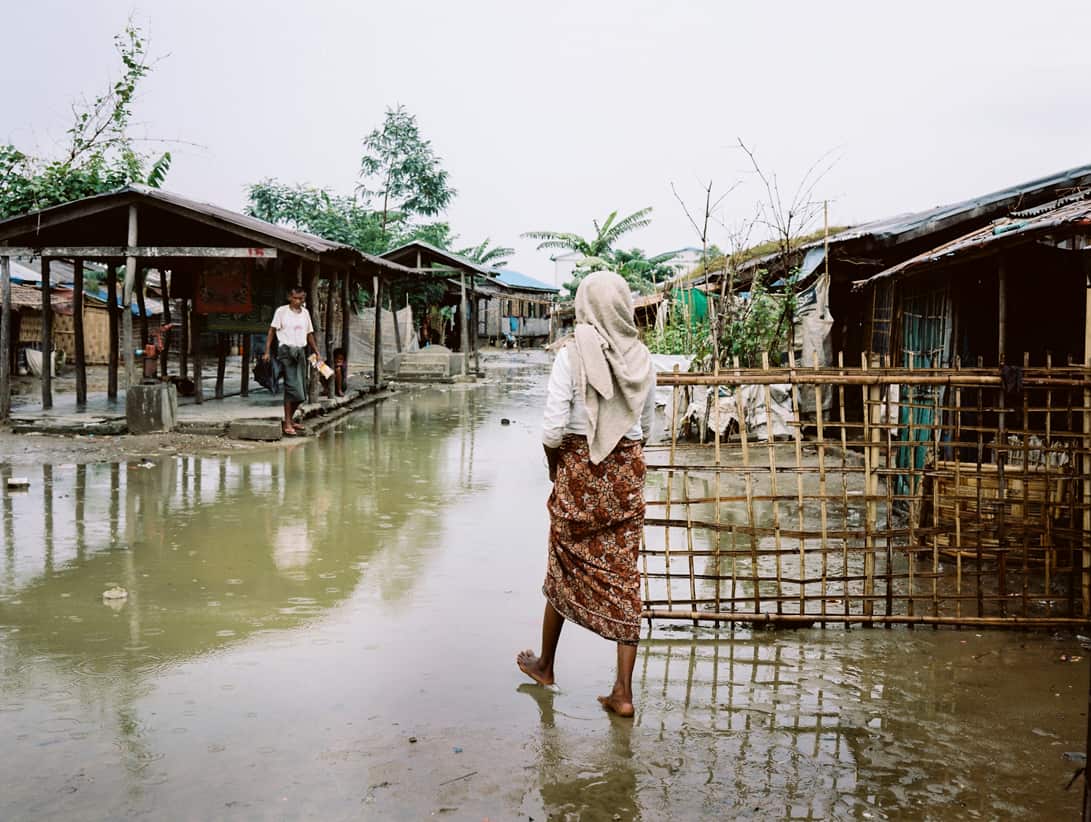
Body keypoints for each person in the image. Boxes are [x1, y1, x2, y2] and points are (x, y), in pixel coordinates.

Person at [517, 270, 657, 718]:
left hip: (580, 471)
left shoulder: (572, 355)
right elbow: (648, 429)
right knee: (623, 575)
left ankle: (546, 665)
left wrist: (556, 467)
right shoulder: (641, 358)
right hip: (625, 475)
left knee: (562, 562)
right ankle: (622, 692)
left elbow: (554, 428)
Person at [263, 286, 323, 436]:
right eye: (295, 298)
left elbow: (309, 334)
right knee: (291, 387)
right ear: (289, 297)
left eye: (301, 298)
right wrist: (267, 351)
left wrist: (316, 351)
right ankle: (288, 423)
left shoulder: (306, 313)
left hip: (300, 352)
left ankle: (289, 419)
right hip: (286, 352)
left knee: (302, 391)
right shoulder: (281, 311)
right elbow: (272, 330)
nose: (298, 301)